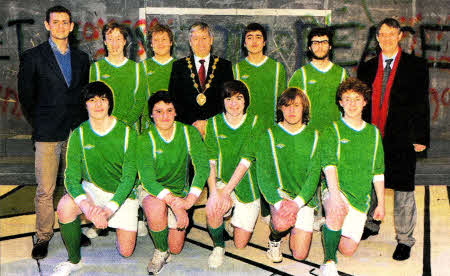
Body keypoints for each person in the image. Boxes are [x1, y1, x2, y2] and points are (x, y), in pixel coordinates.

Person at [17, 5, 90, 260]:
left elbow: (82, 95)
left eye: (65, 22)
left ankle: (72, 228)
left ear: (71, 26)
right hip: (47, 133)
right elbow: (26, 97)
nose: (61, 26)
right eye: (55, 22)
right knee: (45, 189)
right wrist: (40, 123)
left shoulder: (82, 58)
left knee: (75, 185)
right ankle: (44, 236)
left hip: (75, 131)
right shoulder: (33, 56)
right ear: (47, 25)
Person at [357, 18, 430, 261]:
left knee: (403, 189)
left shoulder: (416, 65)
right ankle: (371, 224)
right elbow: (360, 103)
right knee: (371, 183)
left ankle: (405, 239)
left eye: (391, 33)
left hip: (402, 137)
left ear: (400, 36)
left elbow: (422, 103)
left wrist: (420, 137)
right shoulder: (366, 67)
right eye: (382, 34)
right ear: (377, 37)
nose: (386, 38)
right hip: (372, 137)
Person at [51, 81, 139, 276]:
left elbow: (129, 178)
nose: (98, 105)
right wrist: (88, 208)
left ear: (110, 103)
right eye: (92, 100)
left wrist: (108, 211)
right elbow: (71, 178)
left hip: (121, 194)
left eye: (103, 99)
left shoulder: (127, 133)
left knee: (126, 252)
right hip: (92, 189)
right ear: (85, 105)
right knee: (65, 206)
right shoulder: (79, 134)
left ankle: (128, 219)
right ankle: (74, 260)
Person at [137, 91, 209, 275]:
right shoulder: (145, 138)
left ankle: (160, 225)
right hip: (153, 190)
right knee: (155, 208)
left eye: (169, 110)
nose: (165, 116)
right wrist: (176, 207)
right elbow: (148, 179)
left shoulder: (189, 132)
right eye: (159, 111)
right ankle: (160, 250)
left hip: (180, 192)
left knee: (176, 249)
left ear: (176, 112)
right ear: (151, 114)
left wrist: (188, 201)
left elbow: (202, 168)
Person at [319, 78, 385, 276]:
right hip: (336, 189)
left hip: (360, 197)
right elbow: (329, 165)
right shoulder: (333, 130)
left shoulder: (373, 133)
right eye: (347, 99)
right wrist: (335, 196)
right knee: (335, 209)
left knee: (348, 249)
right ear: (340, 102)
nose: (352, 104)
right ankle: (329, 261)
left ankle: (329, 227)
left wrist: (381, 203)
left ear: (365, 102)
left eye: (357, 99)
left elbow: (378, 172)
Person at [251, 88, 321, 263]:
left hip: (303, 199)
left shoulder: (315, 136)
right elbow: (263, 175)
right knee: (282, 224)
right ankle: (274, 239)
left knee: (300, 255)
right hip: (280, 195)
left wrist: (297, 204)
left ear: (304, 108)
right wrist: (279, 202)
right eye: (287, 106)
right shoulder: (268, 135)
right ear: (280, 109)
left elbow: (314, 177)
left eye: (296, 105)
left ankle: (294, 223)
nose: (291, 110)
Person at [204, 80, 263, 268]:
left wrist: (227, 192)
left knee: (240, 244)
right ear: (222, 101)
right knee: (213, 208)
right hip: (222, 182)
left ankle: (233, 221)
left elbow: (246, 161)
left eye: (239, 98)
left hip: (247, 184)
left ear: (245, 101)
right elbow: (210, 162)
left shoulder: (256, 122)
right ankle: (219, 246)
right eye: (228, 99)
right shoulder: (213, 123)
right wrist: (215, 193)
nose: (234, 104)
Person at [169, 22, 234, 137]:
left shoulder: (225, 66)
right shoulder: (179, 66)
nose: (200, 43)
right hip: (187, 129)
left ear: (211, 40)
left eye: (204, 38)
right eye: (195, 38)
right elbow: (174, 100)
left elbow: (228, 100)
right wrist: (194, 123)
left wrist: (209, 123)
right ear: (190, 42)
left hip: (217, 129)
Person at [288, 27, 347, 132]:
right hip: (308, 134)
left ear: (330, 46)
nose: (320, 46)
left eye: (324, 42)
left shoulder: (342, 74)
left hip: (335, 133)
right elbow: (290, 108)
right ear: (310, 47)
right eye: (315, 43)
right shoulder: (300, 75)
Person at [89, 22, 146, 131]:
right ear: (105, 42)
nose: (114, 44)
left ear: (125, 41)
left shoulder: (137, 69)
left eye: (118, 39)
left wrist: (124, 124)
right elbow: (93, 102)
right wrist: (107, 124)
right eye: (110, 39)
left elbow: (140, 102)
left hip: (129, 130)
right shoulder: (96, 69)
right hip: (104, 130)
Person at [233, 23, 287, 129]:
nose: (254, 41)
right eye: (250, 37)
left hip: (271, 130)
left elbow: (283, 103)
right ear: (244, 43)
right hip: (245, 131)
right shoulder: (236, 70)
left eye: (258, 37)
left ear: (264, 42)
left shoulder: (277, 68)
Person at [142, 24, 176, 130]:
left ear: (171, 43)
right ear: (151, 44)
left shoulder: (180, 66)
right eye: (156, 40)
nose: (160, 43)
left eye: (164, 39)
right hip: (149, 125)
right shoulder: (142, 67)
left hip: (174, 124)